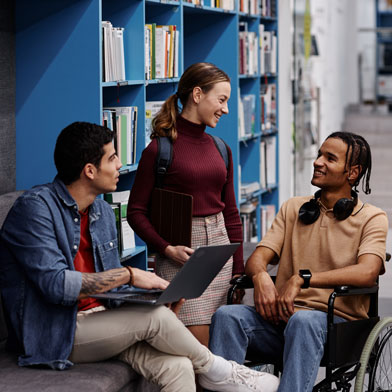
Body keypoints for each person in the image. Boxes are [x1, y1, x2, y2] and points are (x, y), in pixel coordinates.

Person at [0, 121, 279, 392]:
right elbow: (55, 285)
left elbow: (114, 289)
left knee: (179, 366)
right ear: (89, 170)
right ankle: (218, 370)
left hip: (103, 321)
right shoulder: (35, 210)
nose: (120, 164)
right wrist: (130, 274)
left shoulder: (102, 213)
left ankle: (212, 371)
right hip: (56, 331)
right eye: (112, 158)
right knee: (155, 320)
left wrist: (148, 299)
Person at [209, 131, 388, 392]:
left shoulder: (373, 217)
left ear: (353, 172)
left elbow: (367, 272)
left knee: (304, 321)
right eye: (319, 155)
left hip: (336, 327)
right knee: (227, 316)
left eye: (330, 158)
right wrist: (260, 278)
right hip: (281, 320)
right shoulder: (294, 208)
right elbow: (258, 258)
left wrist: (301, 279)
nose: (318, 162)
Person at [127, 62, 244, 347]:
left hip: (220, 252)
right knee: (197, 347)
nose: (225, 109)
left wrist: (238, 271)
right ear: (197, 94)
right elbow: (136, 212)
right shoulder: (159, 150)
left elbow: (230, 213)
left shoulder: (221, 148)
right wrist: (166, 249)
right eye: (221, 99)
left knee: (221, 344)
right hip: (181, 257)